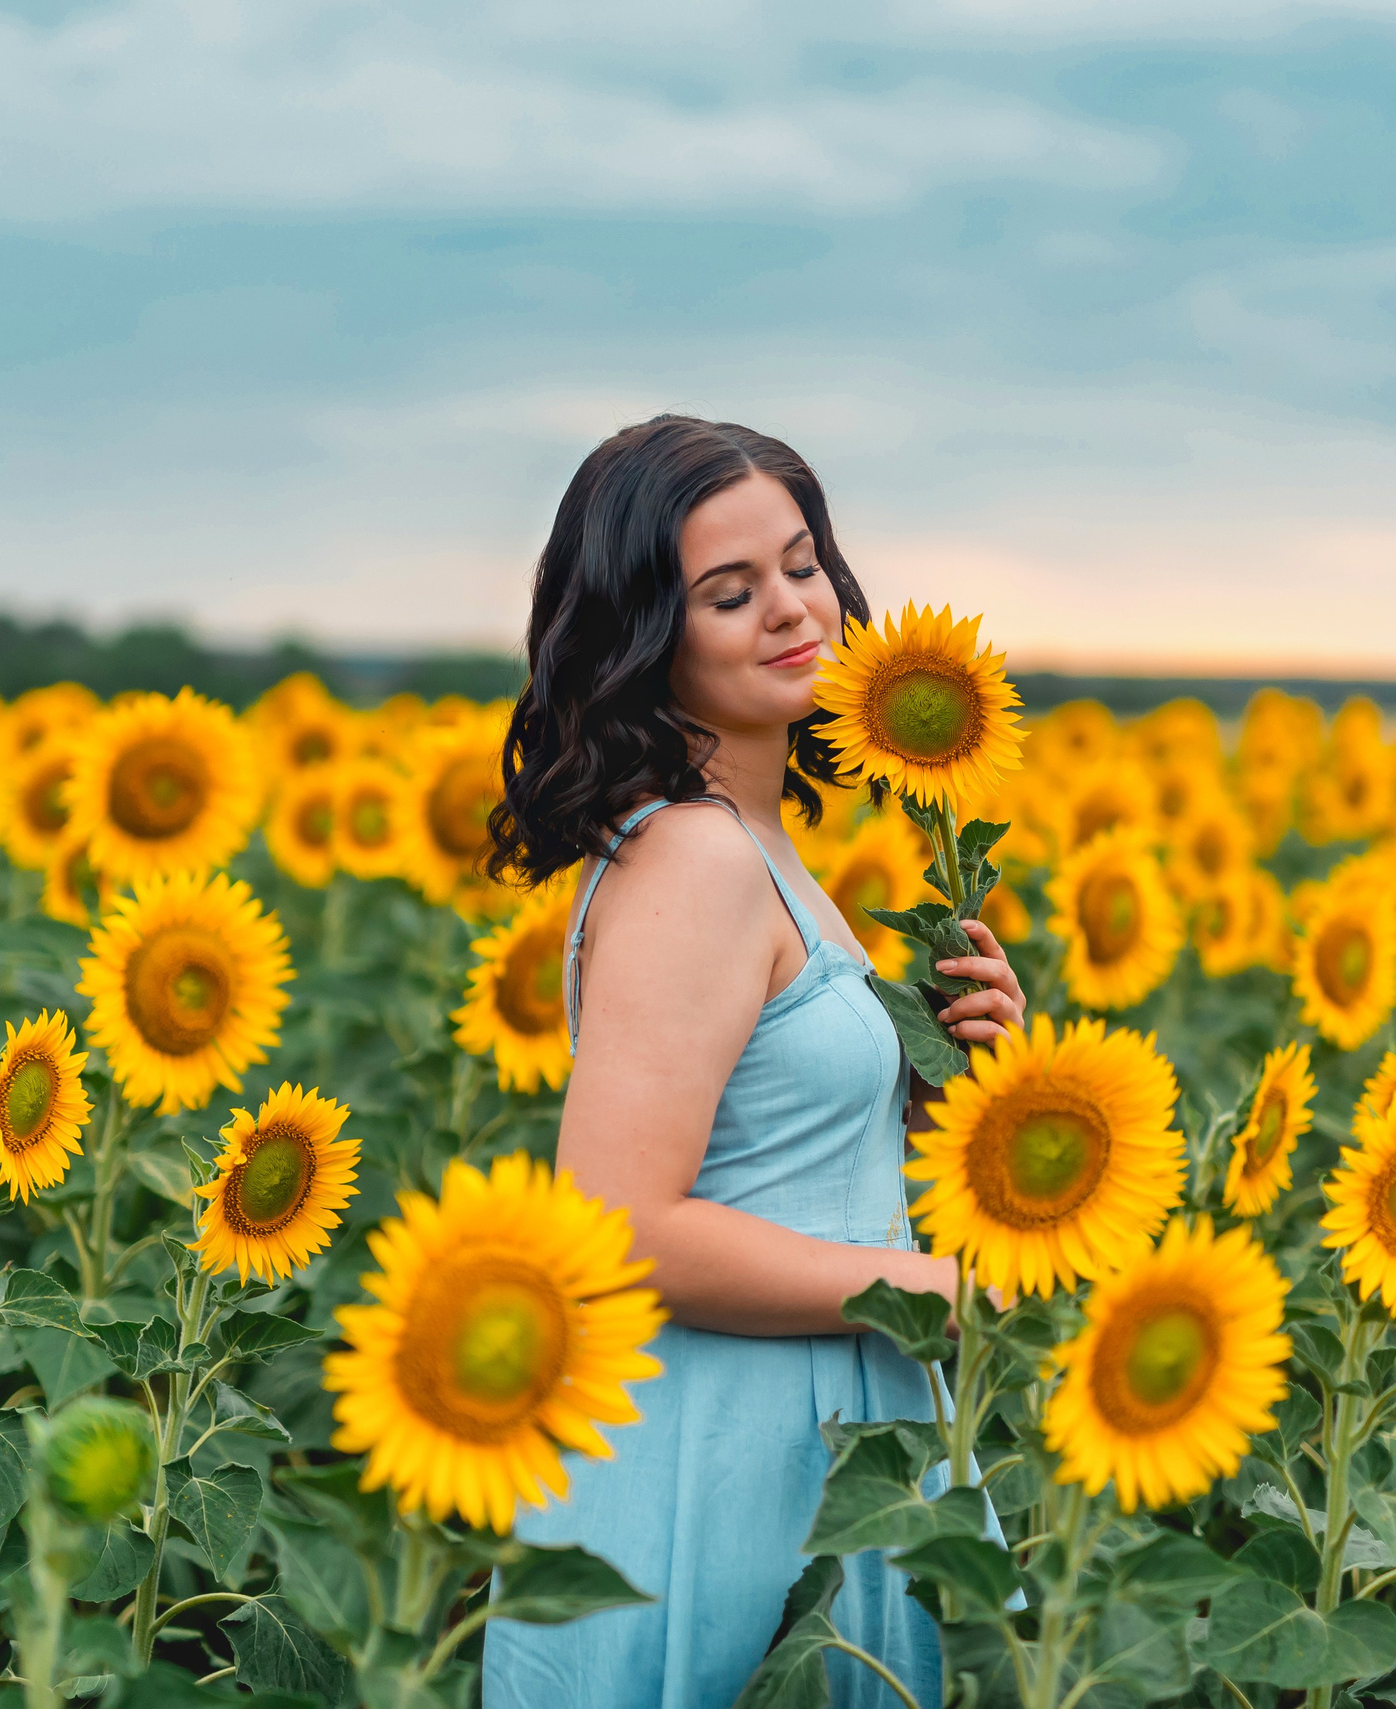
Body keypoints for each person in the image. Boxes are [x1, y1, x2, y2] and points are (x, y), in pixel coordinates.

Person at [478, 416, 1026, 1708]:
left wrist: (974, 1075)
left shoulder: (756, 843)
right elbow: (618, 1226)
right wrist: (923, 1285)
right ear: (644, 634)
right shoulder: (698, 859)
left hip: (803, 1426)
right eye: (730, 593)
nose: (792, 609)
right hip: (731, 1458)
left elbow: (786, 1153)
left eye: (800, 563)